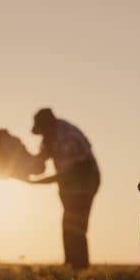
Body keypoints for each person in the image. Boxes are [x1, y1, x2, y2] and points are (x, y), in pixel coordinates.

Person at [29, 108, 100, 269]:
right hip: (71, 185)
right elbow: (41, 158)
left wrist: (35, 182)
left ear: (47, 126)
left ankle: (78, 267)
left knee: (75, 225)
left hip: (84, 183)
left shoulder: (66, 137)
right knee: (70, 224)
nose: (41, 135)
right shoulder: (51, 136)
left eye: (41, 131)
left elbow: (66, 175)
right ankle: (72, 265)